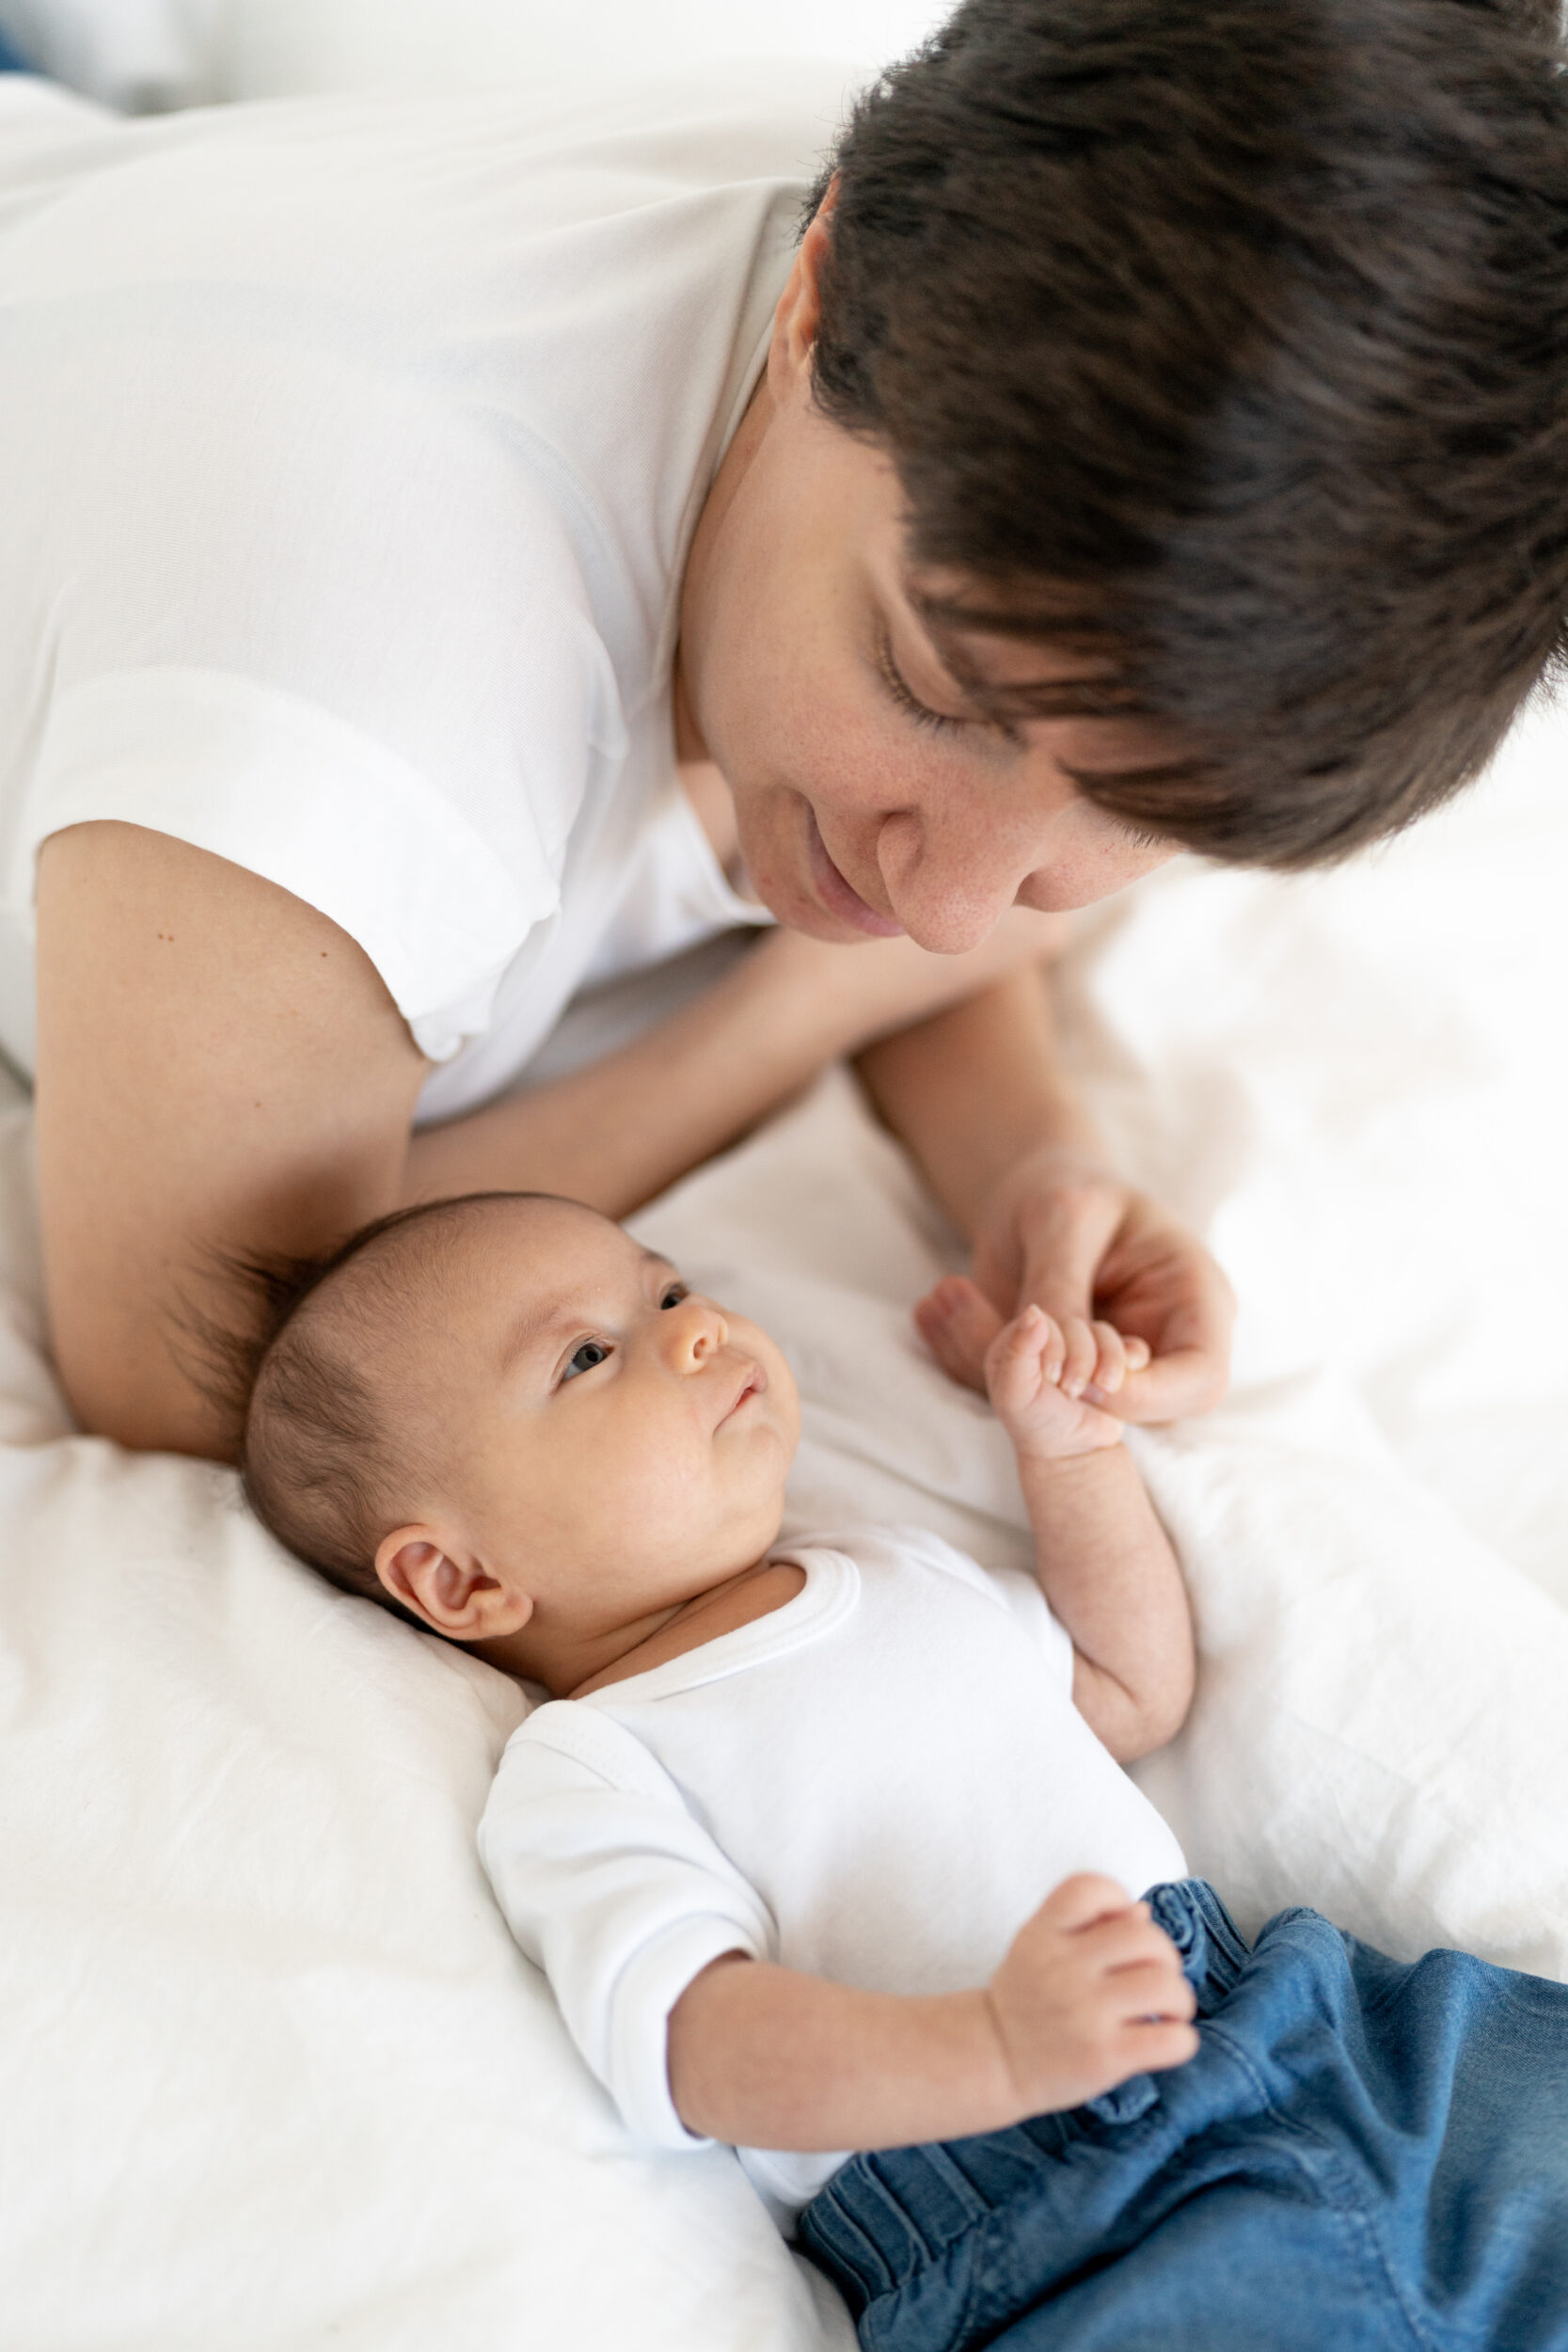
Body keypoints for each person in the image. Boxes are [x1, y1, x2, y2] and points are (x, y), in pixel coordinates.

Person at [4, 0, 1567, 1462]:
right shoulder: (347, 693)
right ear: (817, 293)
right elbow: (210, 1369)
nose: (952, 913)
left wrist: (1024, 1155)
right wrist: (790, 1020)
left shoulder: (1016, 280)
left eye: (1140, 817)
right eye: (934, 688)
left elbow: (926, 903)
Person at [221, 1186, 1568, 2348]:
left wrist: (1071, 1453)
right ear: (458, 1579)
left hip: (1304, 2015)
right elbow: (698, 2046)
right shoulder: (590, 1766)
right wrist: (983, 2048)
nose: (694, 1327)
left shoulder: (889, 1569)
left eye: (669, 1286)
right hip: (1040, 2189)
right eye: (587, 1356)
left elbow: (1130, 1689)